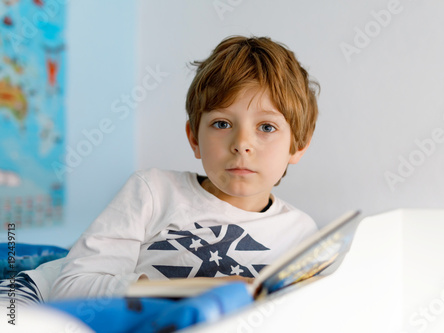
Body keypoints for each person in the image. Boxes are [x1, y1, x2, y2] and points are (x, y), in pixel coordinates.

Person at [51, 35, 320, 300]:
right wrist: (198, 289)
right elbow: (71, 289)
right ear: (194, 138)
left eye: (266, 127)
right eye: (222, 124)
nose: (241, 144)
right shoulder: (153, 192)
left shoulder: (301, 234)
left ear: (297, 146)